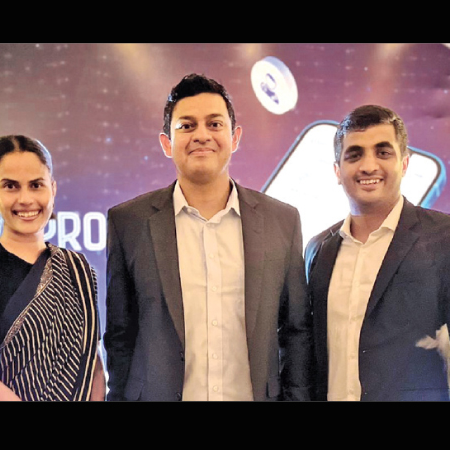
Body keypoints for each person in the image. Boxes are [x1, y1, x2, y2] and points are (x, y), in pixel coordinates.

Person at [104, 73, 312, 401]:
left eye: (214, 124)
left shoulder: (281, 222)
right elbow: (120, 336)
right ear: (166, 143)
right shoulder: (129, 223)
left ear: (235, 137)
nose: (202, 135)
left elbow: (296, 332)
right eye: (187, 126)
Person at [304, 105, 450, 401]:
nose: (368, 166)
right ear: (337, 171)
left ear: (405, 163)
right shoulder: (319, 249)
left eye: (383, 152)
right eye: (354, 155)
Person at [0, 135, 105, 401]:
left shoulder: (77, 269)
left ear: (53, 189)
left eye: (36, 185)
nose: (26, 199)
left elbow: (93, 367)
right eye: (10, 186)